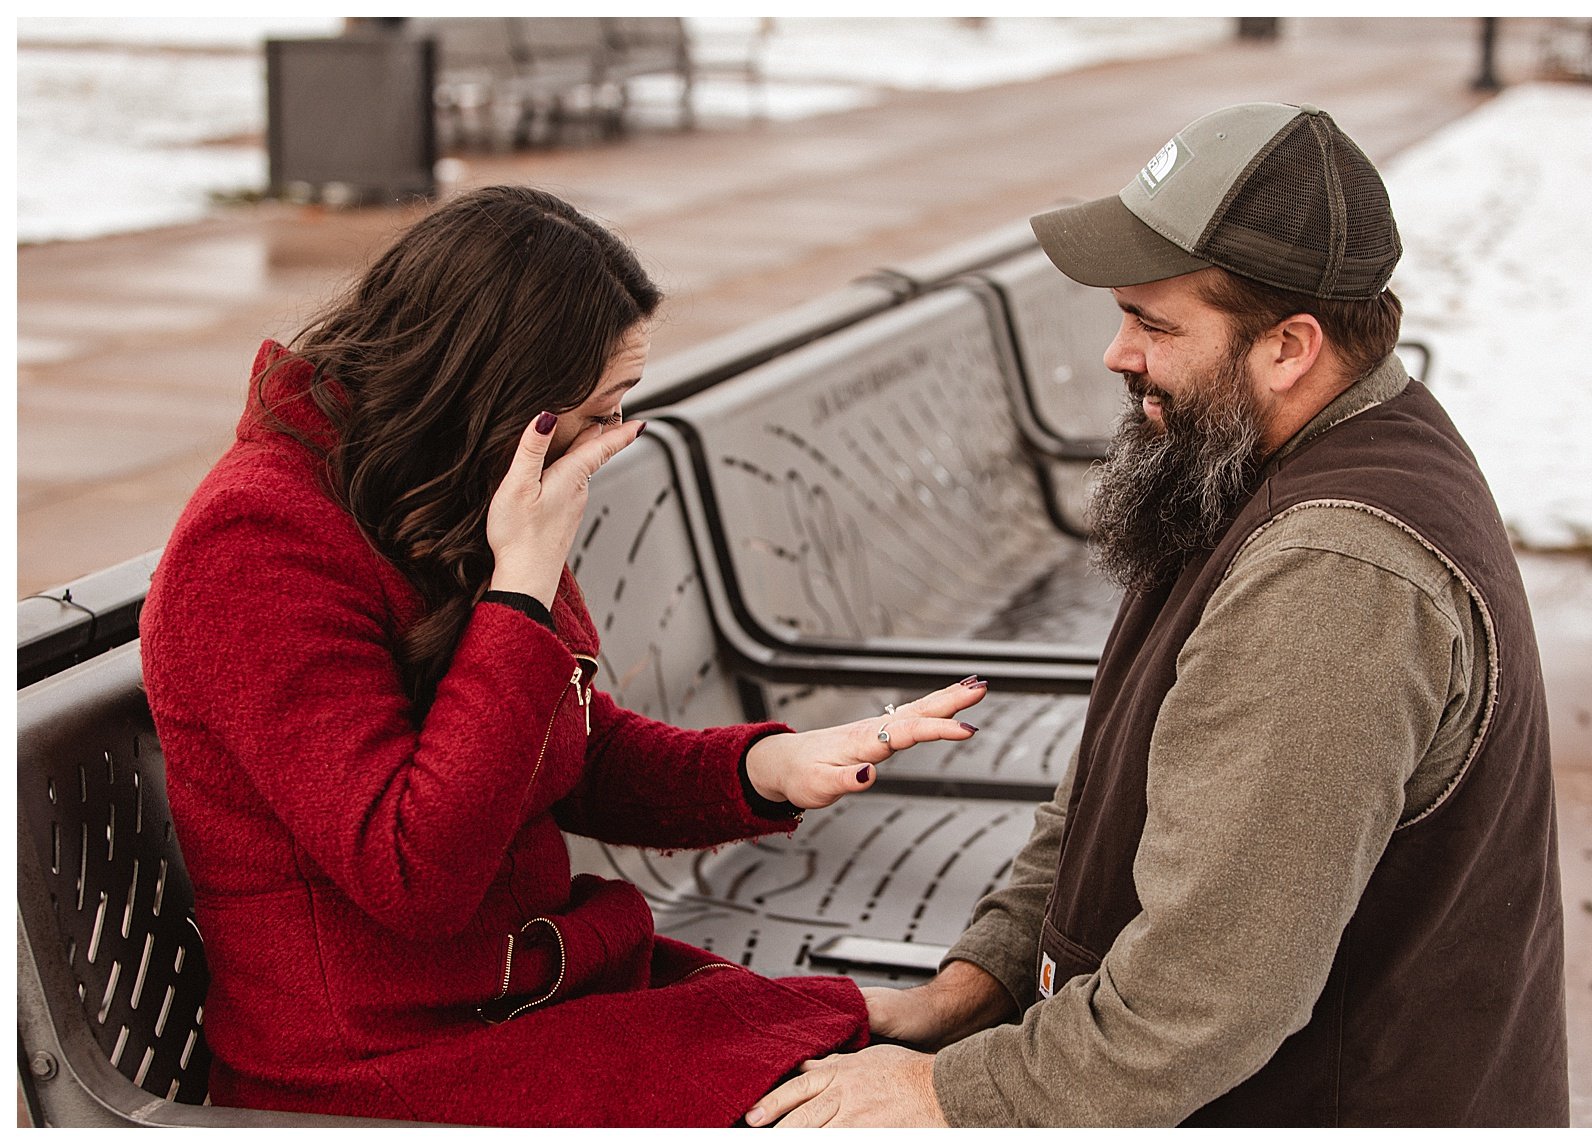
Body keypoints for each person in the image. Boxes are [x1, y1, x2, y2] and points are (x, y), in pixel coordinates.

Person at [746, 102, 1569, 1127]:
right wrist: (977, 984)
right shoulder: (1251, 443)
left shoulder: (1329, 574)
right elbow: (1109, 780)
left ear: (1287, 346)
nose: (1116, 352)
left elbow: (1205, 999)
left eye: (1153, 323)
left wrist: (945, 1091)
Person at [136, 185, 987, 1128]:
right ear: (493, 398)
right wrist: (519, 590)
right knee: (850, 1098)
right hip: (383, 1065)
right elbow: (413, 870)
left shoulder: (446, 488)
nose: (610, 442)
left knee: (887, 1071)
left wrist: (768, 766)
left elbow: (562, 747)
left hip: (523, 1000)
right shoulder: (258, 543)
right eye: (595, 413)